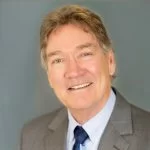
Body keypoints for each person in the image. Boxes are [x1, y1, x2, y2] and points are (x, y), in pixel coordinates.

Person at [21, 5, 150, 150]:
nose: (74, 71)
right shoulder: (32, 137)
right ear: (49, 76)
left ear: (110, 62)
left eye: (85, 54)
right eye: (58, 60)